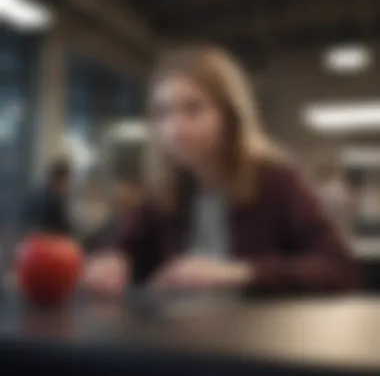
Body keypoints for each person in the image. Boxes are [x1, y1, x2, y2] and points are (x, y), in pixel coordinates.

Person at [83, 46, 361, 295]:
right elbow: (123, 246)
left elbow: (338, 268)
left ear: (230, 116)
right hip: (182, 339)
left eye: (193, 109)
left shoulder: (277, 180)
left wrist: (240, 273)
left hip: (258, 341)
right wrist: (114, 259)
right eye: (163, 112)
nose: (174, 129)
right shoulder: (167, 189)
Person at [23, 159, 72, 235]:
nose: (67, 186)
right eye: (66, 182)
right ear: (58, 180)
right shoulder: (53, 202)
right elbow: (63, 229)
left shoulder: (40, 196)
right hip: (47, 241)